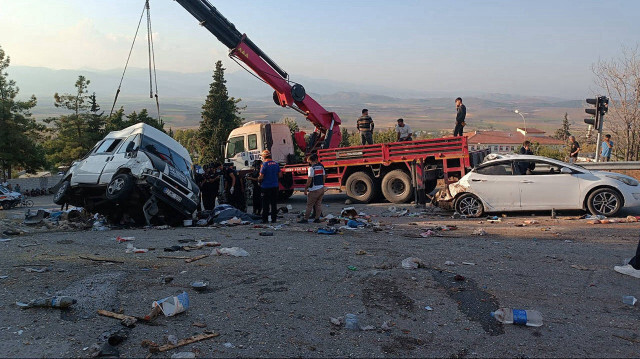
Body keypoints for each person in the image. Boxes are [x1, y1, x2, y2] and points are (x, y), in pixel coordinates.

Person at [298, 154, 326, 224]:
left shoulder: (311, 168)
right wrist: (322, 185)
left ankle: (305, 219)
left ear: (310, 161)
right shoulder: (321, 167)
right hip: (321, 188)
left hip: (314, 189)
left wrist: (305, 188)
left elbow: (309, 179)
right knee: (318, 204)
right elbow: (324, 177)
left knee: (309, 205)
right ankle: (317, 219)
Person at [258, 150, 282, 224]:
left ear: (264, 157)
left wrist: (258, 180)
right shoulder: (276, 164)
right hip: (275, 186)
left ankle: (265, 219)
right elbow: (280, 175)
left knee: (265, 204)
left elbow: (261, 177)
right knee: (274, 203)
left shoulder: (264, 165)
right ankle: (273, 219)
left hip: (265, 187)